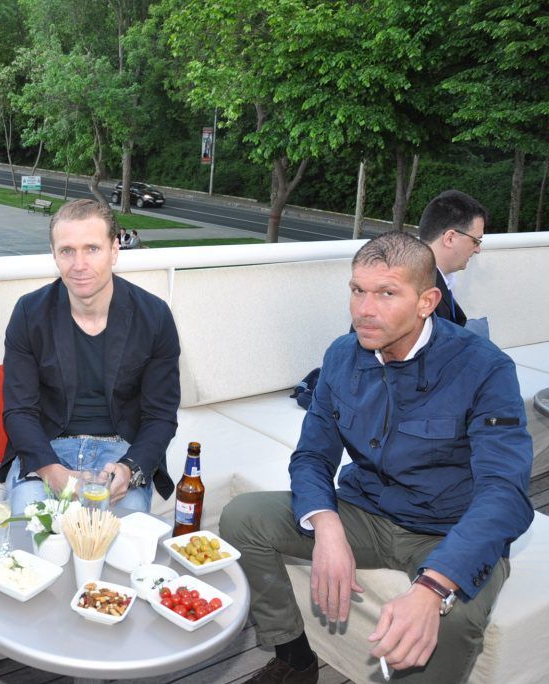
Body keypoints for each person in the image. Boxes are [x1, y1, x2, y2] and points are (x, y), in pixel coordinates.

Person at [221, 231, 532, 684]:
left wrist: (434, 586)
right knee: (243, 517)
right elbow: (311, 456)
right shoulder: (342, 355)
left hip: (446, 529)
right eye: (357, 291)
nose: (364, 309)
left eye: (387, 293)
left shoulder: (484, 368)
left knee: (455, 619)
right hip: (365, 511)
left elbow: (505, 494)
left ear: (426, 302)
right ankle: (295, 659)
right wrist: (327, 525)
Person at [0, 198, 181, 516]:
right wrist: (51, 472)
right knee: (31, 530)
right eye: (67, 251)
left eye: (92, 249)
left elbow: (161, 415)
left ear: (115, 250)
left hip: (120, 454)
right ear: (54, 254)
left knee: (122, 537)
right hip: (48, 450)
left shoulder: (154, 316)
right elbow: (19, 411)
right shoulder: (29, 313)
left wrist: (129, 468)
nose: (79, 264)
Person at [416, 190, 488, 326]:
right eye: (476, 241)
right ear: (450, 238)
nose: (478, 250)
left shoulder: (428, 278)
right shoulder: (422, 292)